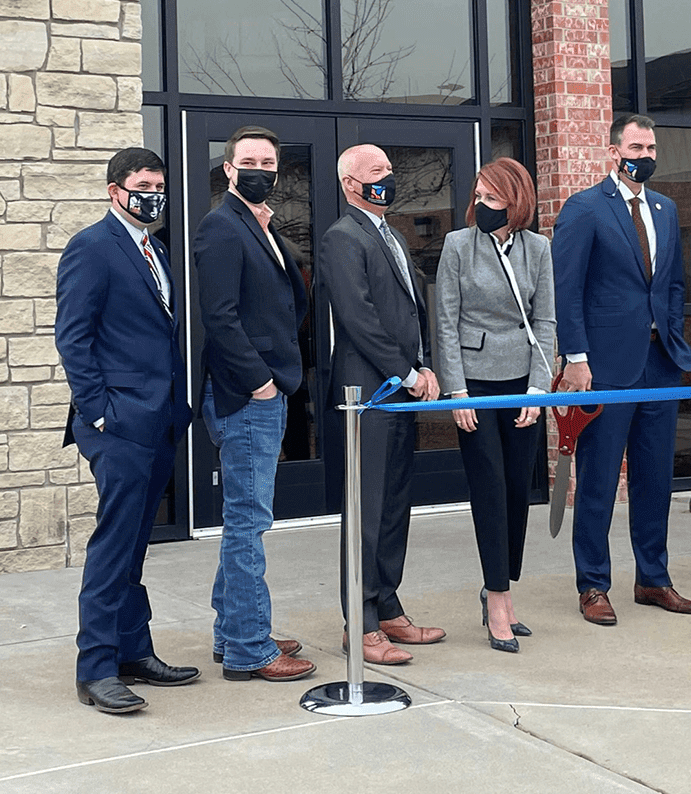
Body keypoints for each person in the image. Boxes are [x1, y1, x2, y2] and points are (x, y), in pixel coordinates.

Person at [56, 148, 198, 713]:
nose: (153, 194)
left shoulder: (156, 249)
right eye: (143, 184)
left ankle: (133, 651)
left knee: (136, 545)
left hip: (159, 419)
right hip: (117, 424)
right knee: (113, 546)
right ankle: (95, 668)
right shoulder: (91, 248)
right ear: (115, 189)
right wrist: (98, 412)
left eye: (159, 185)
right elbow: (74, 336)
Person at [552, 113, 691, 626]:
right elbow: (566, 289)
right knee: (597, 482)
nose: (645, 156)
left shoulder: (665, 207)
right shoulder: (585, 208)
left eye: (651, 147)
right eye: (635, 147)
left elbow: (671, 286)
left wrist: (675, 336)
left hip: (660, 365)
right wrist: (576, 359)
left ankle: (653, 579)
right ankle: (593, 585)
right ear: (613, 153)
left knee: (655, 479)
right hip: (604, 369)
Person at [193, 126, 315, 682]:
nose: (260, 168)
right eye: (249, 160)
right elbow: (218, 317)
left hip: (265, 389)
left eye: (268, 160)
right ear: (228, 169)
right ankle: (249, 647)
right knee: (249, 522)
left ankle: (233, 630)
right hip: (247, 396)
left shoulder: (260, 226)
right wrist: (261, 382)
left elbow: (288, 301)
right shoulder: (221, 227)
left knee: (243, 519)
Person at [316, 143, 445, 666]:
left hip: (402, 392)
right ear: (350, 183)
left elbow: (412, 309)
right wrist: (407, 372)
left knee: (394, 506)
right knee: (366, 510)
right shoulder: (342, 237)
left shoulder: (392, 235)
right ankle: (361, 623)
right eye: (377, 172)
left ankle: (388, 606)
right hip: (368, 395)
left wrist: (426, 364)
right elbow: (359, 317)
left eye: (390, 170)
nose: (388, 178)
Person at [435, 157, 555, 652]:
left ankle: (499, 583)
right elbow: (445, 321)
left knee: (516, 492)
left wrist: (539, 389)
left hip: (522, 385)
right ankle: (500, 600)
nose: (480, 204)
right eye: (478, 195)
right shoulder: (457, 246)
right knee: (489, 487)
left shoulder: (538, 249)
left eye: (490, 197)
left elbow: (546, 321)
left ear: (516, 201)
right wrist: (456, 391)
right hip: (475, 385)